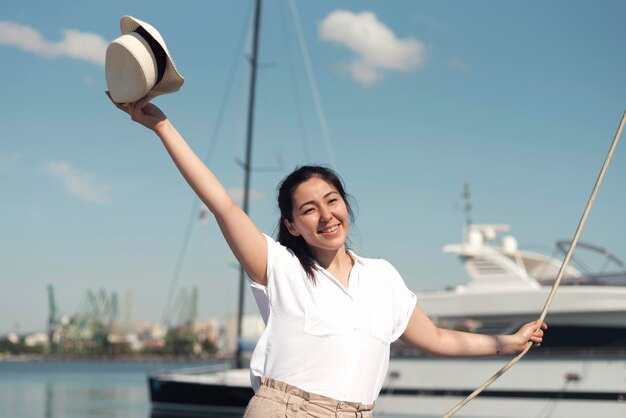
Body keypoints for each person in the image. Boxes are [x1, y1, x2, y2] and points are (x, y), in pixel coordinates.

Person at [108, 93, 547, 418]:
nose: (326, 215)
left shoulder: (383, 278)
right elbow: (221, 203)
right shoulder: (277, 267)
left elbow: (438, 339)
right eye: (308, 209)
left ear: (346, 205)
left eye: (332, 200)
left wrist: (507, 341)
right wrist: (163, 126)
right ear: (292, 225)